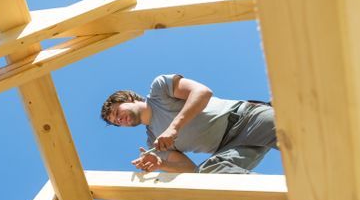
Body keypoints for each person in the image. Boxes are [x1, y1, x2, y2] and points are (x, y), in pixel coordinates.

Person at [100, 74, 277, 175]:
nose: (120, 120)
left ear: (128, 98)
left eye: (117, 113)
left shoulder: (159, 89)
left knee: (294, 134)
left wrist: (173, 128)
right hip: (229, 148)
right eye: (116, 122)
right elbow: (190, 170)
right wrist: (161, 164)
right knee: (207, 176)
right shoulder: (153, 142)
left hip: (246, 118)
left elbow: (202, 92)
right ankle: (295, 199)